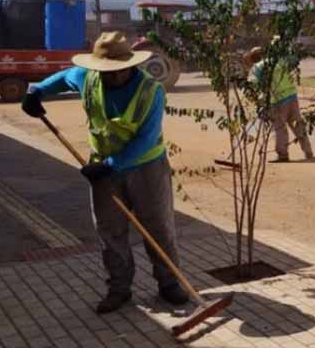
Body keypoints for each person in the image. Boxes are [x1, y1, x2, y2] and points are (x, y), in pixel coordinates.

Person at [19, 32, 189, 314]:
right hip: (103, 168)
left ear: (130, 64)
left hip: (146, 168)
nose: (113, 76)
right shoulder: (88, 78)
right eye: (106, 71)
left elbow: (146, 138)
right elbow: (63, 78)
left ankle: (169, 284)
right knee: (110, 231)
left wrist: (109, 167)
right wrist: (36, 92)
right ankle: (119, 288)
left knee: (157, 226)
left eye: (118, 71)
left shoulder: (151, 91)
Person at [247, 45, 314, 163]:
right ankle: (308, 150)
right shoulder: (279, 60)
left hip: (277, 100)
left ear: (253, 58)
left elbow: (254, 86)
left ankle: (283, 154)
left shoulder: (257, 67)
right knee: (298, 124)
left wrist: (260, 102)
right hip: (292, 96)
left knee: (280, 128)